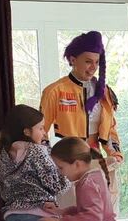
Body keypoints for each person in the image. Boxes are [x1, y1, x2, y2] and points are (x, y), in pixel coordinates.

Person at [39, 31, 123, 209]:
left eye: (96, 62)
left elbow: (110, 128)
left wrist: (115, 152)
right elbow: (40, 131)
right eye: (88, 61)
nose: (93, 67)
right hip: (70, 161)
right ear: (73, 60)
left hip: (97, 158)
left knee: (103, 208)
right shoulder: (55, 91)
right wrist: (51, 161)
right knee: (74, 209)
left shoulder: (105, 92)